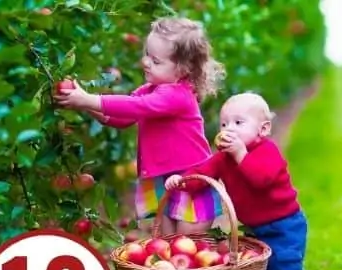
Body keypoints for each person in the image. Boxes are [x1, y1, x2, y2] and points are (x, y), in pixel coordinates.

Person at [55, 17, 224, 236]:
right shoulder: (152, 88)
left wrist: (88, 99)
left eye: (156, 61)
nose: (146, 62)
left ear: (183, 69)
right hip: (165, 179)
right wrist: (85, 105)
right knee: (169, 246)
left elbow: (137, 106)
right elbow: (123, 118)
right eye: (147, 54)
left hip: (190, 180)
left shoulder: (178, 95)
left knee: (188, 245)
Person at [165, 92, 308, 270]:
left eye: (238, 122)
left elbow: (261, 180)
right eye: (224, 124)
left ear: (264, 129)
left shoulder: (268, 151)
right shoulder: (223, 158)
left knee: (284, 265)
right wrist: (182, 180)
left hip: (284, 226)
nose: (228, 129)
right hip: (255, 227)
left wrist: (241, 153)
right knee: (257, 266)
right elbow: (202, 174)